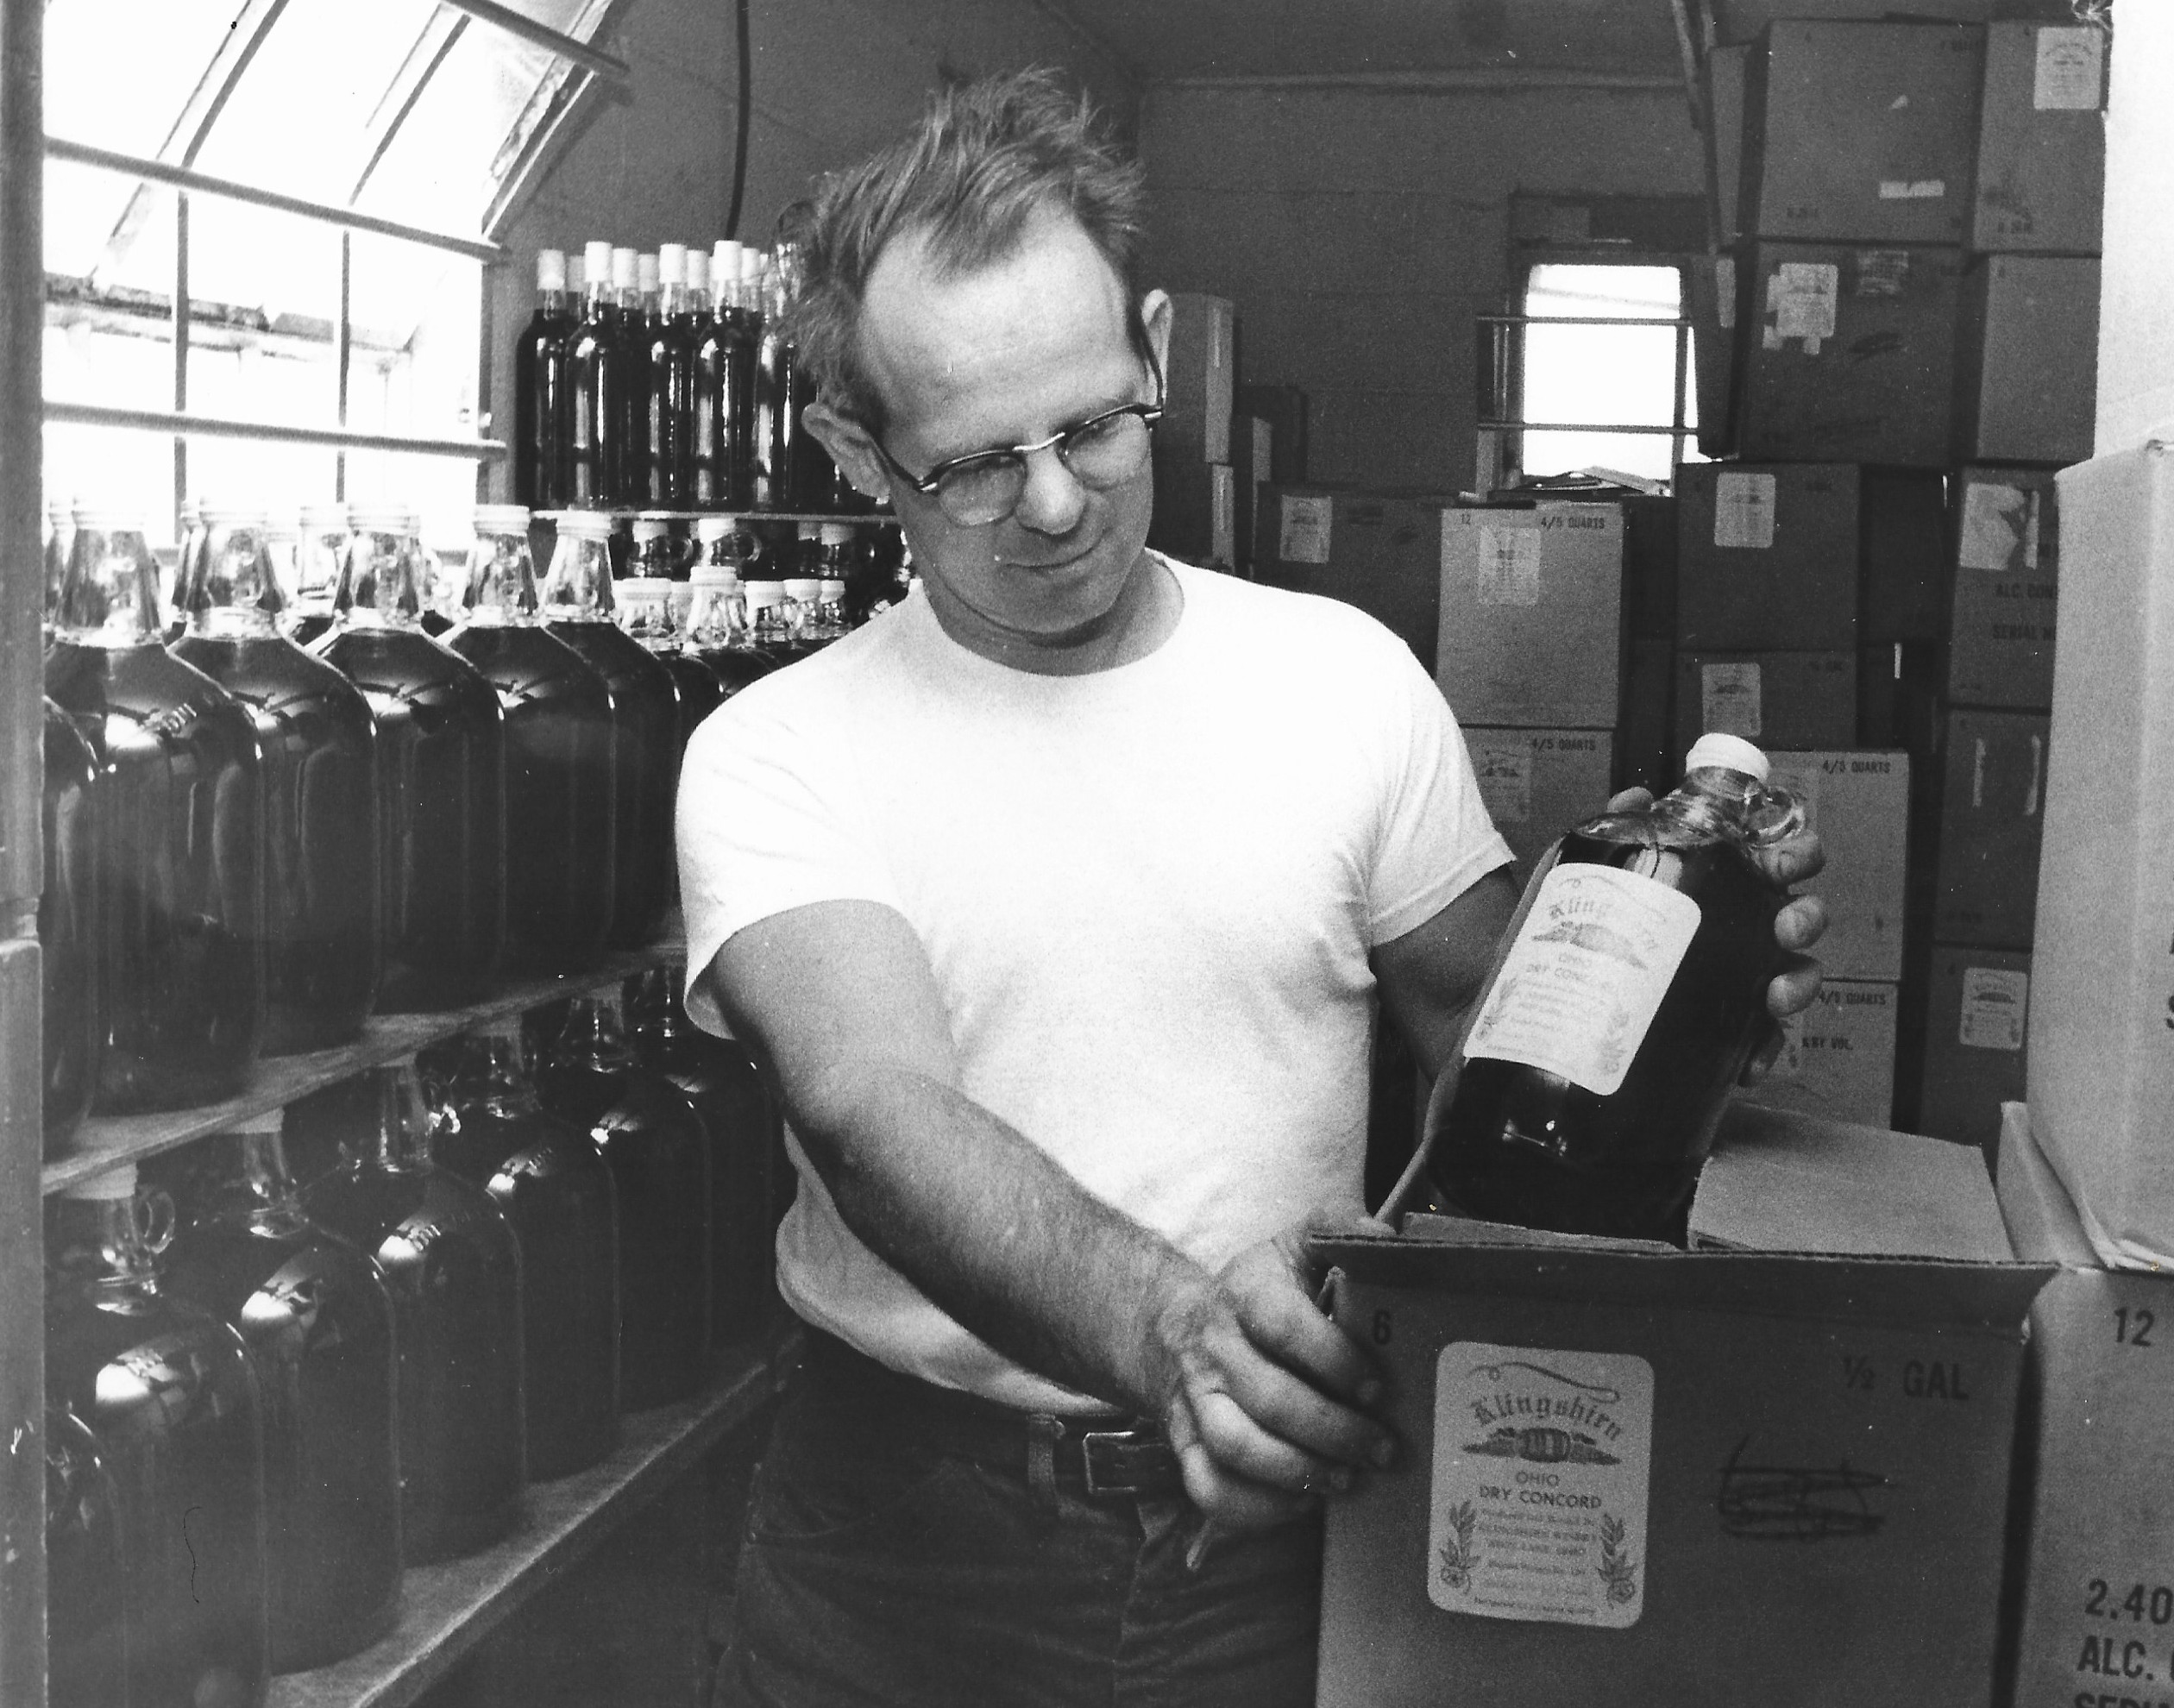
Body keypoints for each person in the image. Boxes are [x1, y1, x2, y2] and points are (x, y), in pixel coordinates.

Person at [680, 68, 1826, 1708]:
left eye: (1092, 423)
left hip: (1284, 1542)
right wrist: (1179, 1337)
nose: (1061, 503)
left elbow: (1500, 1060)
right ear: (859, 450)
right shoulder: (777, 750)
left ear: (1151, 343)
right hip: (904, 1558)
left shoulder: (1343, 682)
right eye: (977, 465)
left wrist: (1682, 983)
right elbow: (873, 1110)